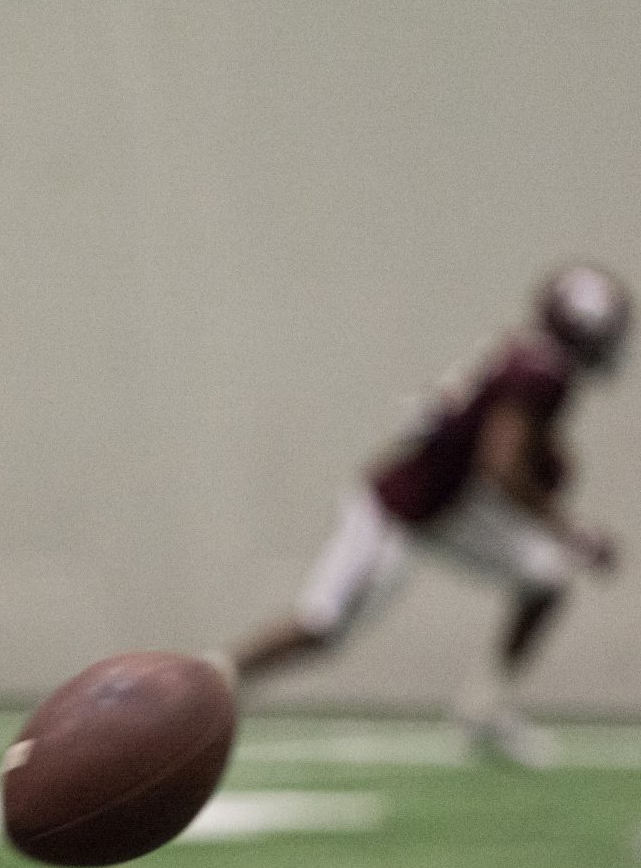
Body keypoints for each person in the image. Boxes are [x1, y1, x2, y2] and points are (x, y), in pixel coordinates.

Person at [230, 264, 626, 764]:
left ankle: (486, 706)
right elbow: (500, 465)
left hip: (451, 507)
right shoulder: (540, 373)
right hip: (400, 510)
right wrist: (573, 530)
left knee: (544, 576)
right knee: (321, 626)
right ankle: (213, 682)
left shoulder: (533, 361)